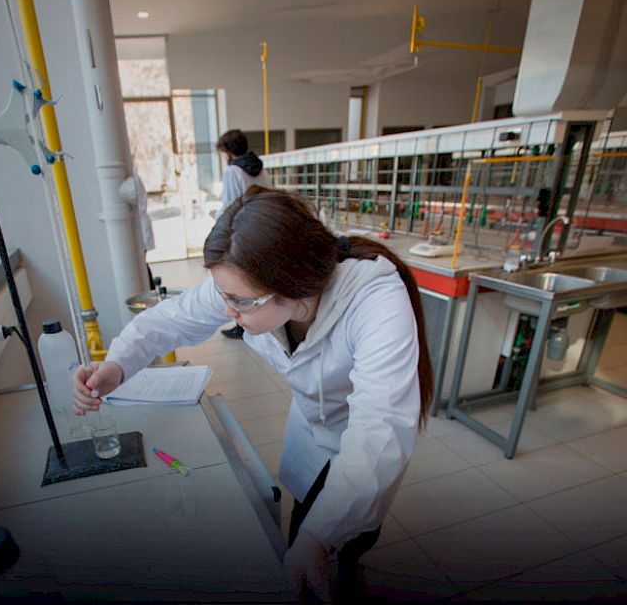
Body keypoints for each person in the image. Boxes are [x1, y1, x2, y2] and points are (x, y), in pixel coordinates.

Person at [73, 187, 433, 602]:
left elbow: (379, 432)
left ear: (293, 288)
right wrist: (116, 366)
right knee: (307, 520)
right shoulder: (247, 282)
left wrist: (317, 538)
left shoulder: (376, 302)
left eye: (239, 303)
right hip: (312, 427)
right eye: (224, 296)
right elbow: (171, 320)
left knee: (334, 538)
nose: (227, 310)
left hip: (363, 445)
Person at [214, 129, 273, 339]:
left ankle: (242, 324)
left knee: (241, 277)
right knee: (259, 274)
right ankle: (262, 320)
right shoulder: (260, 168)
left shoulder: (233, 171)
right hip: (264, 225)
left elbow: (231, 204)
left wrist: (217, 218)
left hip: (242, 229)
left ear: (228, 150)